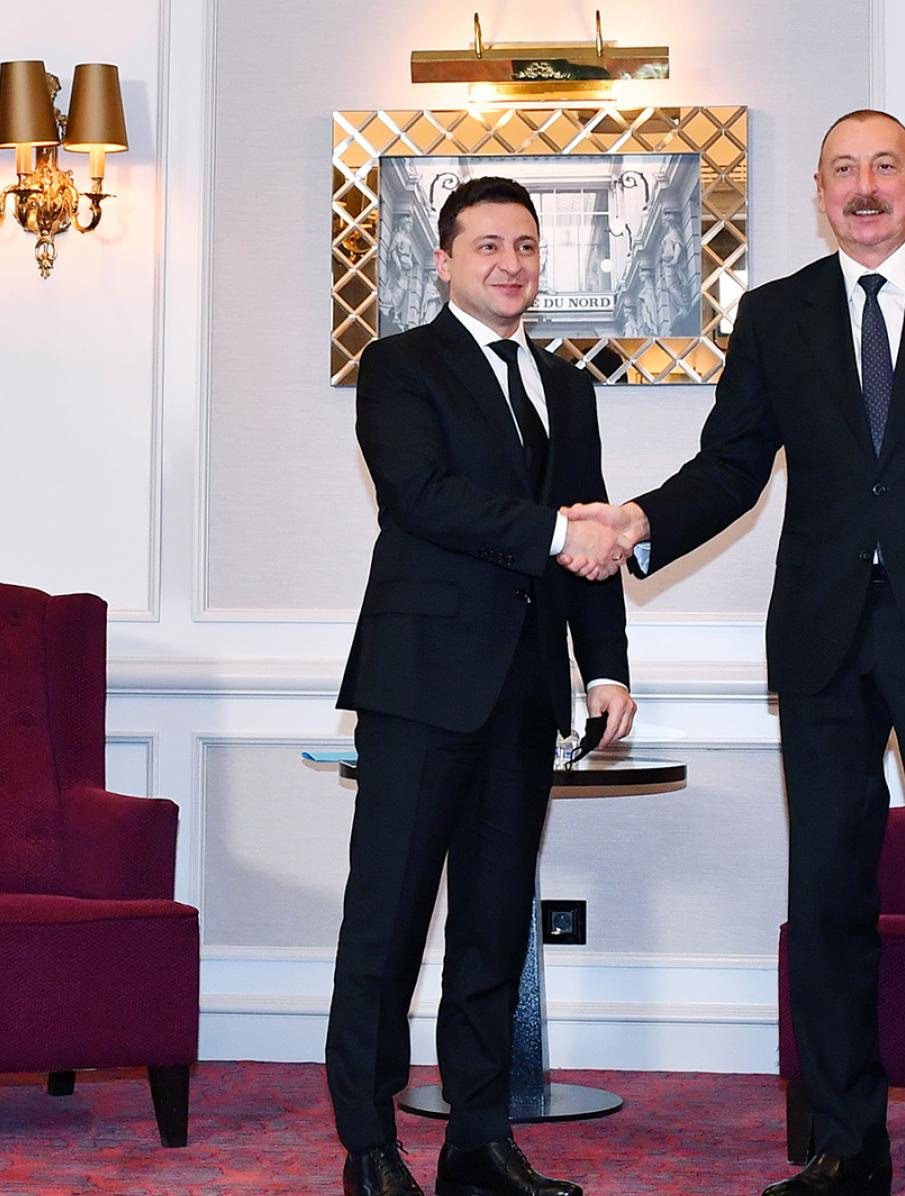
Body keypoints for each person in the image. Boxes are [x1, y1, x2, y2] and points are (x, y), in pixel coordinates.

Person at [564, 111, 905, 1196]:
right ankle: (847, 1145)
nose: (864, 186)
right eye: (843, 170)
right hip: (823, 641)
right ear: (818, 192)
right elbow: (730, 467)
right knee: (827, 896)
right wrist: (638, 519)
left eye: (883, 166)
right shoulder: (776, 313)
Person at [329, 175, 638, 1196]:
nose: (512, 264)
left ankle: (478, 1141)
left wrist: (604, 667)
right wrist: (558, 532)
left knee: (493, 928)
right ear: (445, 260)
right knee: (386, 925)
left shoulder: (568, 387)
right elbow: (421, 497)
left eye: (527, 247)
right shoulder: (397, 366)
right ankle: (369, 1147)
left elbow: (590, 536)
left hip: (524, 693)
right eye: (489, 246)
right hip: (419, 686)